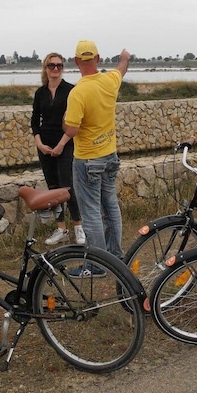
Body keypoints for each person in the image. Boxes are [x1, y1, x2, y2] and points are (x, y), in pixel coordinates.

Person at [63, 40, 131, 274]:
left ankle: (96, 265)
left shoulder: (78, 92)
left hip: (87, 160)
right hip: (109, 155)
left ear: (76, 61)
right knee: (111, 206)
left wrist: (64, 121)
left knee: (90, 211)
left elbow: (71, 130)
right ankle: (115, 257)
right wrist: (124, 56)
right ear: (98, 59)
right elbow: (121, 68)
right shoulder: (109, 81)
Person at [31, 52, 84, 245]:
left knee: (67, 186)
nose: (55, 69)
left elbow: (75, 121)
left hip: (66, 144)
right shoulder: (40, 93)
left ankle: (78, 226)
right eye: (51, 65)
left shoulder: (71, 90)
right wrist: (39, 143)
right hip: (45, 145)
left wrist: (61, 144)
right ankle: (61, 228)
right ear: (45, 68)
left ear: (63, 68)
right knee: (53, 188)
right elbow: (35, 121)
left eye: (59, 66)